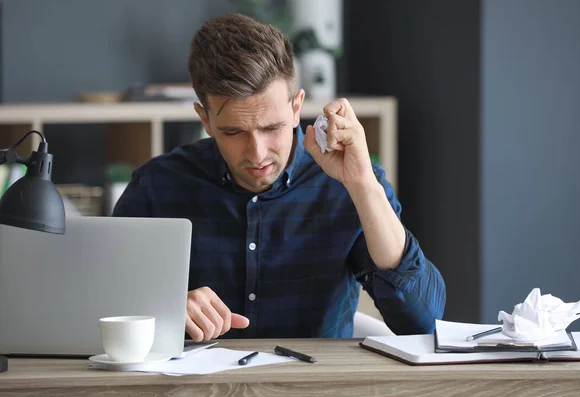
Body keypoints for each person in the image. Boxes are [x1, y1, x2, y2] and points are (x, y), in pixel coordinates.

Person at [113, 13, 446, 341]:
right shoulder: (156, 186)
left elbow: (422, 323)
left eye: (271, 128)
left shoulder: (348, 183)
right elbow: (104, 301)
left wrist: (362, 185)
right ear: (205, 120)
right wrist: (164, 307)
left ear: (297, 107)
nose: (257, 154)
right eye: (233, 132)